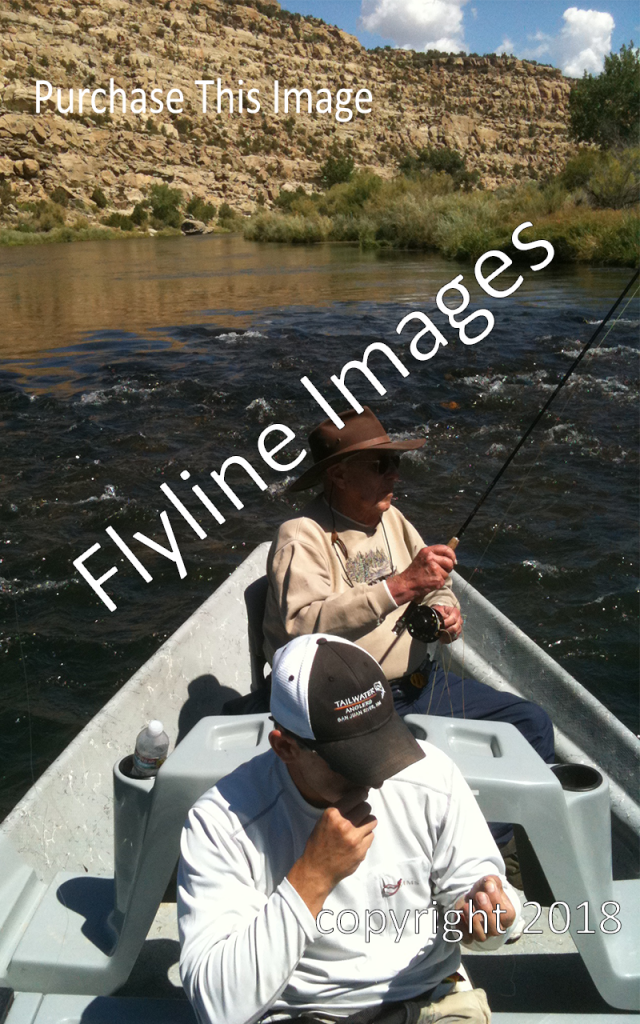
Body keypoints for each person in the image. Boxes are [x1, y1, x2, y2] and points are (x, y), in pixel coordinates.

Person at [178, 634, 520, 1024]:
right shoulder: (221, 821)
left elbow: (482, 897)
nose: (377, 777)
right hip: (301, 1012)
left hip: (428, 998)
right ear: (285, 747)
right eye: (350, 762)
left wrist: (488, 919)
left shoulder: (430, 774)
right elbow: (217, 1007)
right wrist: (312, 876)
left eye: (384, 747)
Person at [262, 406, 555, 860]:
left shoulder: (392, 520)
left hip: (422, 684)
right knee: (403, 780)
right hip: (354, 703)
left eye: (396, 461)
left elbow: (435, 584)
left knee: (531, 725)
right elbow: (301, 626)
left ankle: (480, 852)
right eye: (381, 464)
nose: (394, 474)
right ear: (338, 475)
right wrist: (397, 587)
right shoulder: (302, 536)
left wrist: (445, 611)